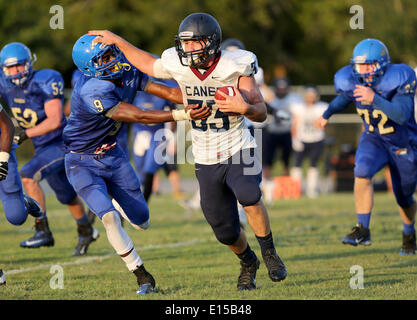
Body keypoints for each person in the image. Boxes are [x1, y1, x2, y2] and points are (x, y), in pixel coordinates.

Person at [90, 12, 287, 291]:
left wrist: (245, 108)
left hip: (238, 146)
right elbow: (146, 62)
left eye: (195, 43)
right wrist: (117, 40)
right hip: (204, 154)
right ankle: (248, 261)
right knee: (224, 230)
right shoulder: (176, 62)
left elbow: (260, 110)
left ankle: (269, 253)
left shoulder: (235, 63)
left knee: (248, 194)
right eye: (185, 42)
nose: (189, 49)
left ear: (211, 42)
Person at [66, 34, 209, 294]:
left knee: (142, 221)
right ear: (90, 66)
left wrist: (203, 99)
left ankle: (117, 199)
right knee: (109, 218)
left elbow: (167, 91)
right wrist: (182, 114)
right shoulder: (92, 89)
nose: (113, 60)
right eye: (105, 58)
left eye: (112, 53)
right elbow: (139, 115)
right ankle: (142, 275)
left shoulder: (127, 72)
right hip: (81, 161)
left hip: (113, 156)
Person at [319, 38, 417, 255]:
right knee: (362, 171)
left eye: (368, 65)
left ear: (382, 64)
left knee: (404, 196)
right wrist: (327, 114)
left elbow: (401, 115)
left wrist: (375, 99)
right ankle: (363, 229)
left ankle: (409, 232)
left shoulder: (399, 78)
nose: (362, 70)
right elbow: (343, 98)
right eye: (359, 65)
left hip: (402, 141)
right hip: (374, 138)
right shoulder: (352, 80)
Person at [0, 42, 98, 255]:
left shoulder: (45, 79)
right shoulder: (3, 84)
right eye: (11, 67)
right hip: (42, 147)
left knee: (27, 175)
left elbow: (55, 120)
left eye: (20, 66)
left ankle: (42, 230)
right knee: (66, 195)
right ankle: (86, 230)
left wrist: (24, 133)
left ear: (29, 63)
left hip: (61, 142)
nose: (16, 71)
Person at [0, 102, 43, 285]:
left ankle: (23, 201)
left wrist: (3, 160)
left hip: (1, 153)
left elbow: (7, 125)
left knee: (16, 216)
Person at [131, 77, 179, 202]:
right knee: (139, 169)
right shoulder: (135, 91)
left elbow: (174, 114)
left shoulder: (163, 91)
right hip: (139, 132)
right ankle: (139, 201)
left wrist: (170, 136)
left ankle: (144, 202)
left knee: (150, 167)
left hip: (157, 133)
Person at [262, 77, 303, 204]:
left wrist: (296, 135)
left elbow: (295, 117)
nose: (281, 90)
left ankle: (286, 190)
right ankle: (266, 188)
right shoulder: (270, 98)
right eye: (279, 87)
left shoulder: (293, 99)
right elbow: (266, 102)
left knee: (286, 162)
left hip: (286, 133)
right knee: (267, 163)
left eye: (284, 87)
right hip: (271, 133)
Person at [291, 85, 328, 198]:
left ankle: (311, 189)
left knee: (314, 164)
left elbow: (322, 125)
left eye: (312, 95)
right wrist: (294, 139)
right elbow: (295, 124)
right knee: (297, 164)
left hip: (317, 138)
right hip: (301, 139)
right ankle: (296, 190)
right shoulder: (298, 107)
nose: (310, 97)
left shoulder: (322, 107)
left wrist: (315, 121)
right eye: (308, 95)